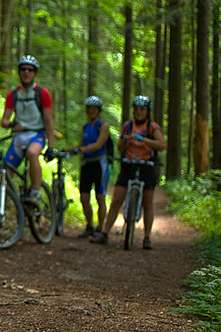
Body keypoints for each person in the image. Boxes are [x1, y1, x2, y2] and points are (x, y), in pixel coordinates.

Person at [92, 95, 166, 249]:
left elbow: (161, 145)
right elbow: (120, 147)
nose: (139, 112)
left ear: (147, 111)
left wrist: (143, 139)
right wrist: (126, 141)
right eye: (136, 109)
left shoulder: (152, 127)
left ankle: (147, 238)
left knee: (147, 203)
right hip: (128, 165)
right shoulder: (128, 126)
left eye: (142, 109)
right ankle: (104, 233)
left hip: (147, 166)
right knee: (116, 200)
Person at [0, 55, 55, 205]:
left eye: (30, 70)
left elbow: (49, 121)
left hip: (37, 135)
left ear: (35, 73)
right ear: (19, 72)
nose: (26, 72)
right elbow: (4, 121)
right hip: (19, 137)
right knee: (5, 173)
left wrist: (50, 146)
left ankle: (35, 192)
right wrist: (12, 125)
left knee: (32, 153)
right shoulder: (13, 95)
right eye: (23, 69)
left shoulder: (42, 93)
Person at [71, 95, 111, 238]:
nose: (91, 111)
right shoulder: (86, 127)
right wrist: (67, 150)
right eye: (89, 108)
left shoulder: (103, 126)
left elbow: (98, 144)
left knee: (100, 197)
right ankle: (89, 226)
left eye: (94, 108)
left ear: (99, 110)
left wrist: (81, 149)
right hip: (86, 164)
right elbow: (81, 144)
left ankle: (101, 227)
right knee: (84, 197)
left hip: (99, 164)